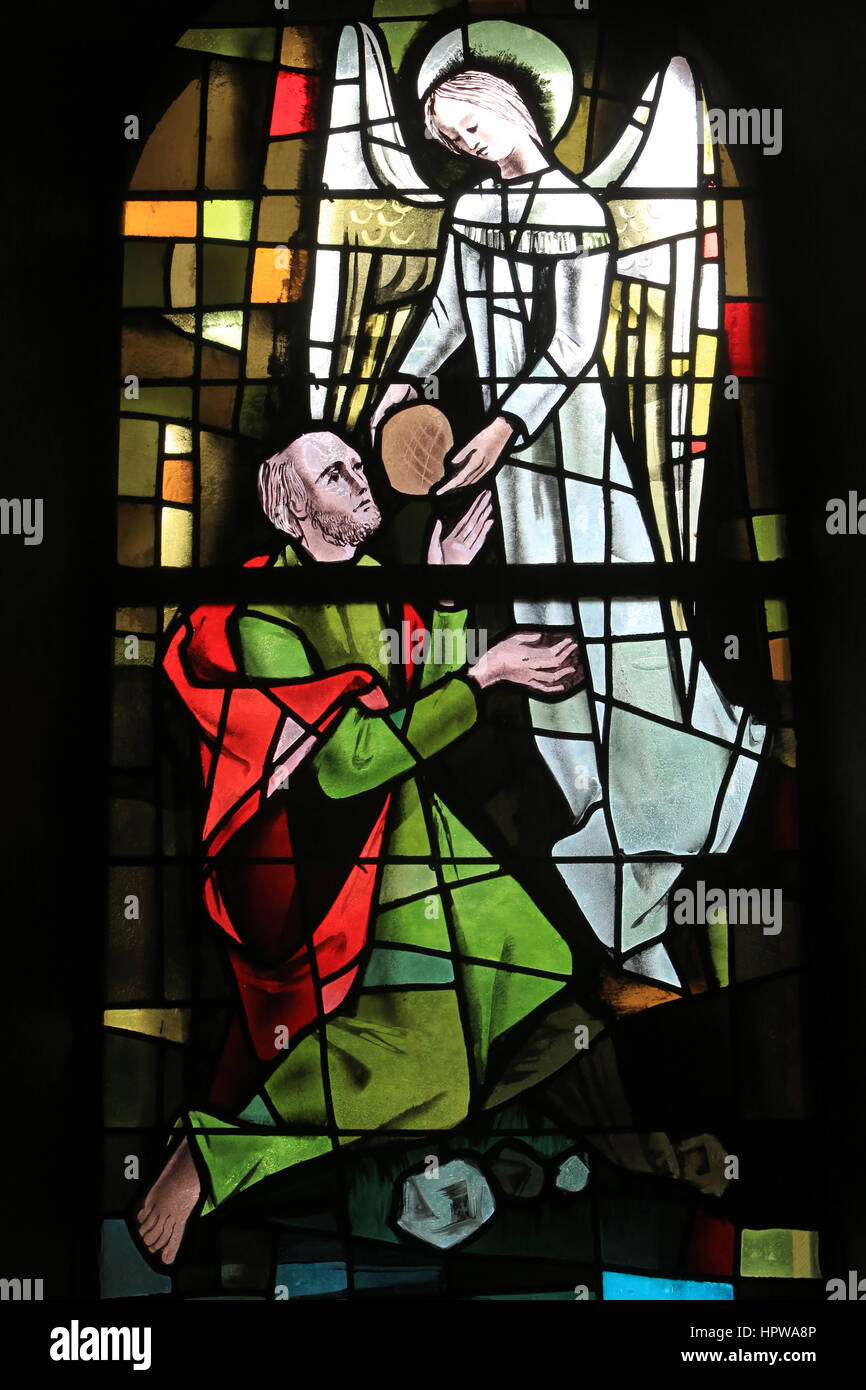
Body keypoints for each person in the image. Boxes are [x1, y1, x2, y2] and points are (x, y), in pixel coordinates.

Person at [137, 428, 582, 1265]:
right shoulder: (266, 617)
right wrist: (486, 677)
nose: (360, 480)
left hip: (412, 831)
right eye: (336, 474)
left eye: (354, 464)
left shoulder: (373, 579)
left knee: (541, 965)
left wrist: (440, 592)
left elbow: (403, 686)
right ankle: (213, 1154)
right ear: (299, 509)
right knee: (436, 1074)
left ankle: (418, 1115)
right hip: (339, 867)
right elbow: (346, 763)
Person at [370, 68, 766, 987]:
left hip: (572, 447)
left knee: (614, 620)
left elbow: (571, 343)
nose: (464, 147)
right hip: (515, 475)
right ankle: (598, 821)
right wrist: (405, 382)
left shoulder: (579, 209)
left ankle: (660, 813)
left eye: (468, 126)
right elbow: (444, 318)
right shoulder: (469, 214)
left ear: (506, 108)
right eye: (449, 141)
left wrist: (505, 426)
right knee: (549, 626)